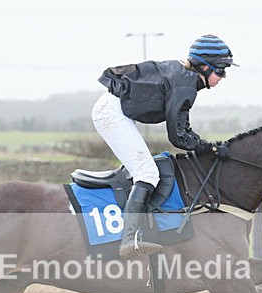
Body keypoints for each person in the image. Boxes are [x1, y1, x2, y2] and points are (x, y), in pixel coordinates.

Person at [94, 34, 237, 258]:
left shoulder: (187, 79)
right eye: (221, 70)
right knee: (147, 172)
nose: (224, 76)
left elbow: (183, 130)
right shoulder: (185, 84)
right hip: (112, 113)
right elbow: (178, 137)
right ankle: (128, 239)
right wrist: (209, 148)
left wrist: (206, 146)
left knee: (146, 170)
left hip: (116, 109)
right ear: (205, 67)